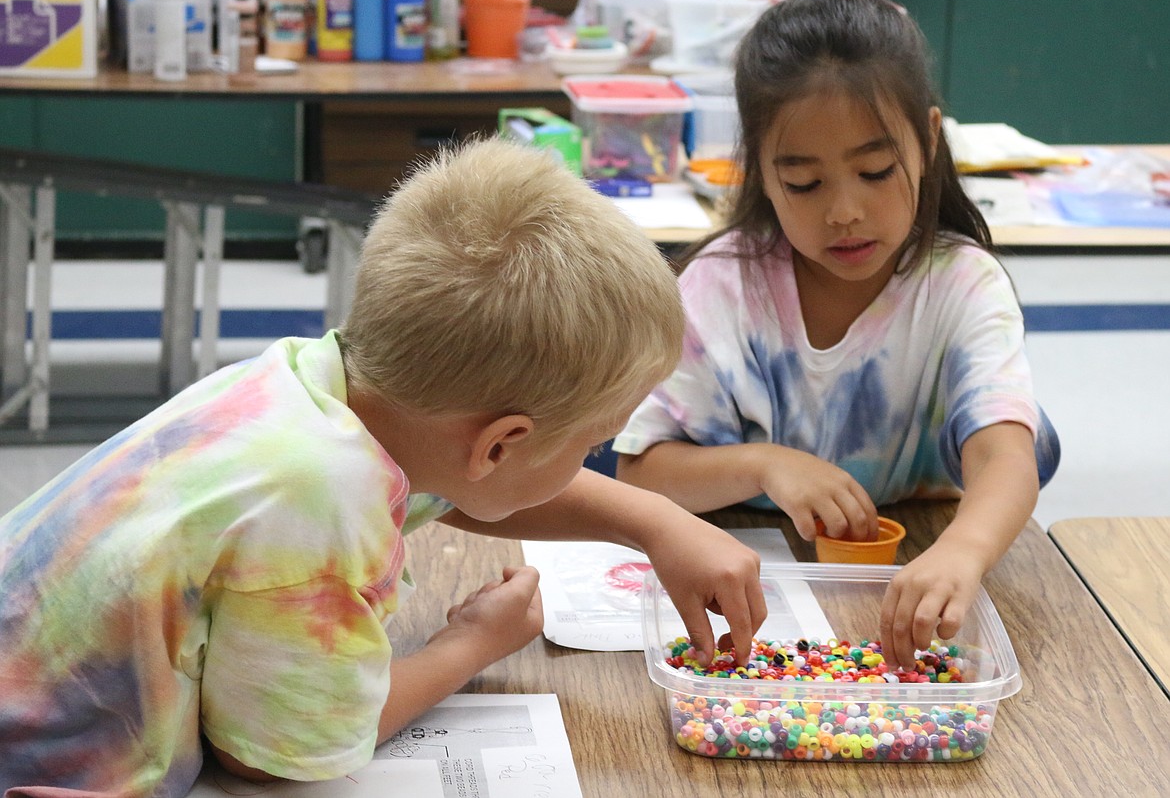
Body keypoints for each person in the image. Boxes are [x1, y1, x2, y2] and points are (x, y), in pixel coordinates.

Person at [0, 138, 766, 795]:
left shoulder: (330, 387)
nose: (586, 457)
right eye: (591, 441)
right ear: (499, 443)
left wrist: (655, 522)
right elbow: (273, 758)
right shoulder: (317, 502)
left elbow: (460, 486)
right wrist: (470, 644)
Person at [613, 0, 1060, 671]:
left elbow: (1004, 455)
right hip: (749, 557)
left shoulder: (961, 282)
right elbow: (640, 473)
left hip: (916, 550)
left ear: (928, 140)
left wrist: (965, 548)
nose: (845, 211)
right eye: (804, 183)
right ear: (761, 172)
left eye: (875, 171)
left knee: (1029, 451)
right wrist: (767, 464)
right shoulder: (721, 287)